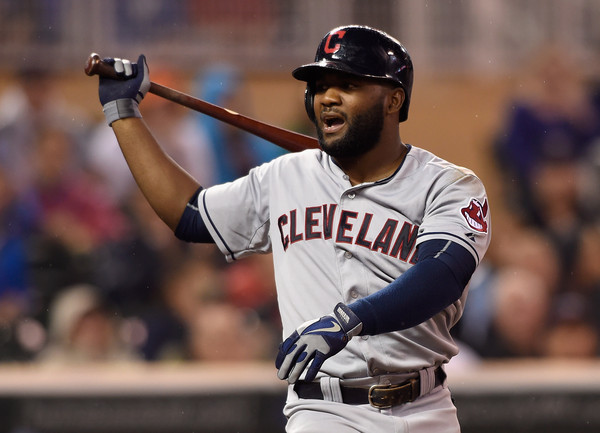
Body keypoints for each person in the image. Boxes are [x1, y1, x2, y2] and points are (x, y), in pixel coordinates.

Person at [94, 25, 491, 433]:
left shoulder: (449, 185)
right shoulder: (285, 176)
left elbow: (442, 273)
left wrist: (351, 320)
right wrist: (123, 114)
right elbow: (190, 214)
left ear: (394, 99)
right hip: (323, 412)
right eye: (320, 86)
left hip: (424, 410)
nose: (327, 97)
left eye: (347, 84)